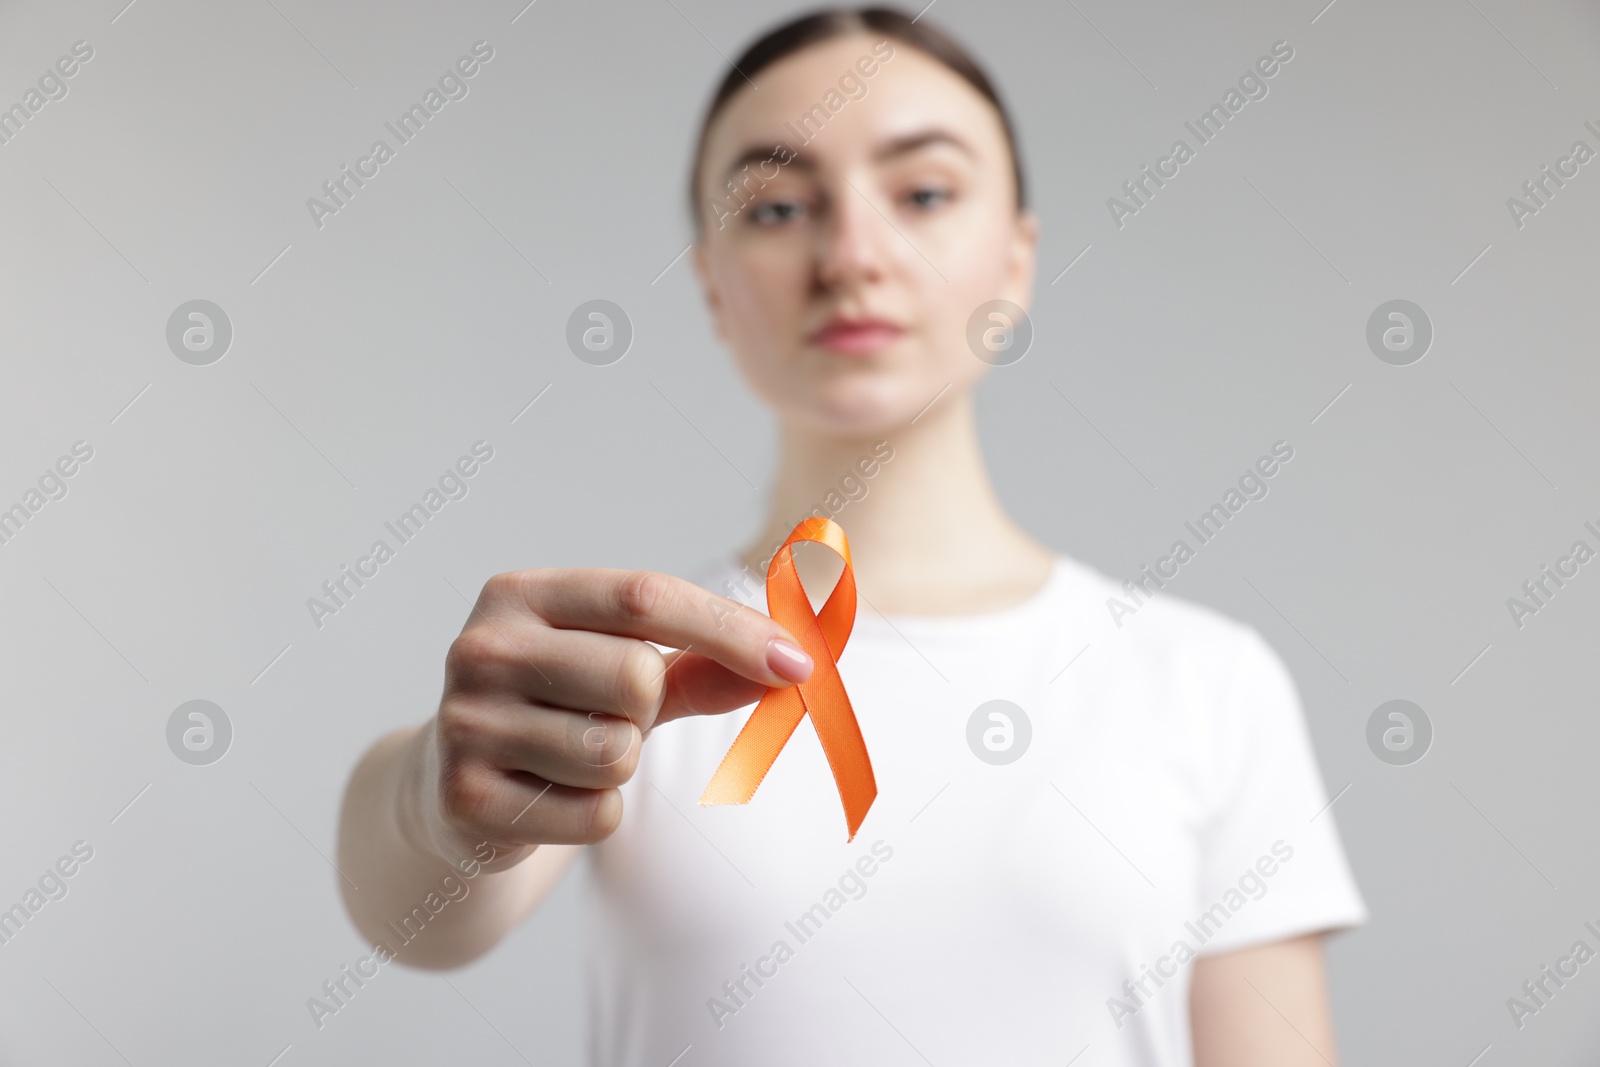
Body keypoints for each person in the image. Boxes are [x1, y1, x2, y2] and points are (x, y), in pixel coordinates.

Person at [336, 7, 1367, 1064]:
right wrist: (434, 796)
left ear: (1015, 259)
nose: (851, 254)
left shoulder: (1206, 682)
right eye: (777, 206)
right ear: (710, 284)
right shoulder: (636, 680)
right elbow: (418, 915)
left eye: (923, 192)